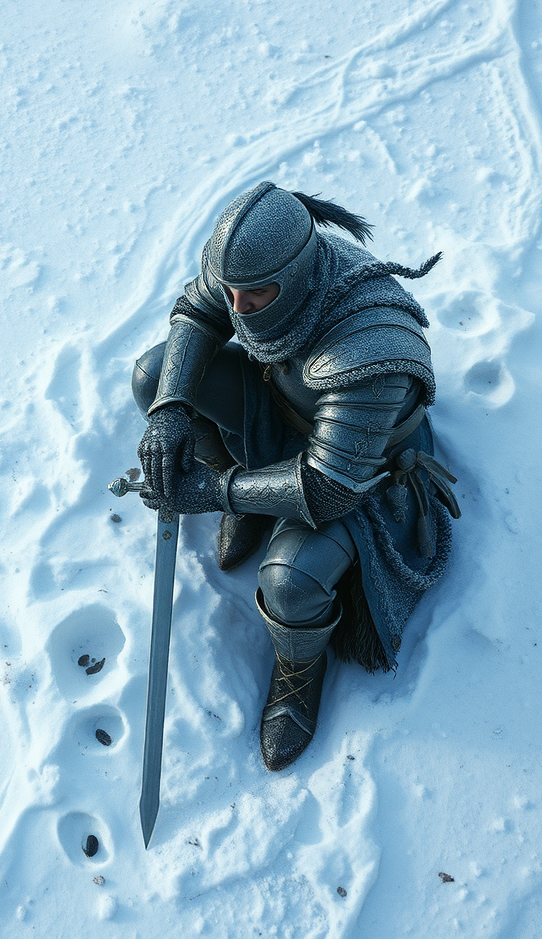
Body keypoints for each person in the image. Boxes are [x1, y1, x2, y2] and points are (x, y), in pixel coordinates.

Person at [131, 181, 460, 771]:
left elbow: (328, 487)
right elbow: (199, 310)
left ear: (298, 274)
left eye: (254, 294)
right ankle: (240, 482)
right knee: (154, 374)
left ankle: (299, 663)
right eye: (231, 289)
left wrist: (209, 493)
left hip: (364, 472)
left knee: (290, 580)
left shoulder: (370, 345)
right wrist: (171, 407)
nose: (237, 307)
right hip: (285, 409)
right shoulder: (256, 271)